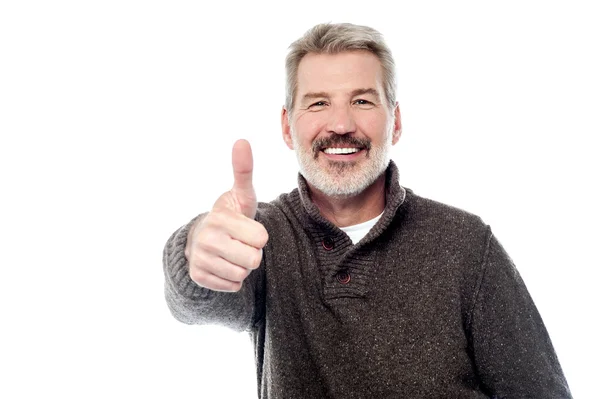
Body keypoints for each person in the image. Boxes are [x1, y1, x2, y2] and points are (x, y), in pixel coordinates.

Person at [163, 22, 572, 398]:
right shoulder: (260, 238)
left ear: (395, 121)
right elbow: (198, 301)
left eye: (361, 100)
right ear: (288, 126)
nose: (340, 123)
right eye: (318, 103)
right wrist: (195, 248)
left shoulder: (466, 245)